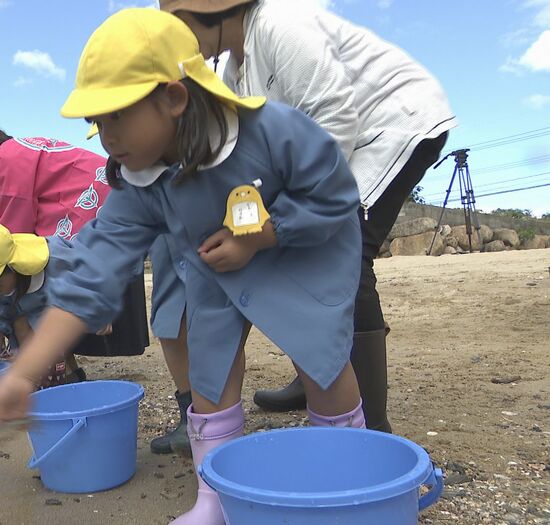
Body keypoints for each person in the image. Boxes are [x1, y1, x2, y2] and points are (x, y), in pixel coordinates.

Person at [0, 9, 365, 523]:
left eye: (116, 116)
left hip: (300, 255)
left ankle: (345, 473)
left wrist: (262, 237)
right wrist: (24, 372)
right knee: (208, 373)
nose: (104, 136)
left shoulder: (274, 131)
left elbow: (336, 195)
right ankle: (216, 496)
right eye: (95, 122)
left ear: (174, 97)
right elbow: (91, 276)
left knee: (320, 359)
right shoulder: (138, 183)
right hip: (212, 267)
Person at [159, 0, 456, 434]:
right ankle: (314, 377)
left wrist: (269, 229)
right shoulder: (231, 72)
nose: (178, 44)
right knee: (306, 246)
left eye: (178, 26)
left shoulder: (281, 23)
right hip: (340, 138)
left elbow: (336, 118)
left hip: (390, 123)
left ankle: (369, 422)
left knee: (344, 254)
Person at [0, 121, 150, 365]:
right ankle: (63, 370)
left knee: (42, 301)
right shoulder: (20, 147)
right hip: (111, 196)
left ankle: (54, 369)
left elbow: (13, 233)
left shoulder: (4, 162)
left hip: (92, 209)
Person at [0, 223, 109, 384]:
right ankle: (51, 379)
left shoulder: (57, 260)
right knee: (21, 324)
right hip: (33, 312)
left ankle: (65, 377)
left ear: (12, 267)